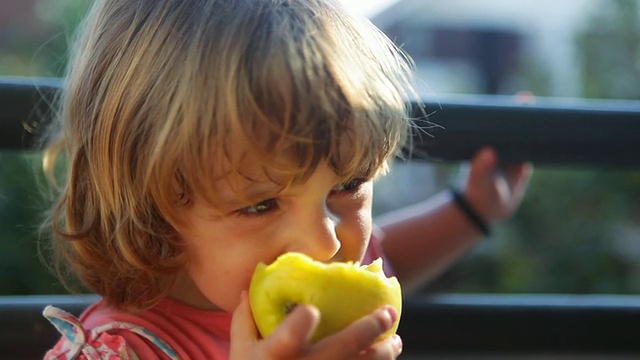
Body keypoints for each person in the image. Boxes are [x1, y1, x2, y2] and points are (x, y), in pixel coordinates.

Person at [40, 0, 532, 359]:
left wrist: (471, 210)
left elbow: (390, 255)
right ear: (154, 210)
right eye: (261, 205)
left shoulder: (318, 276)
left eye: (348, 185)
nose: (325, 242)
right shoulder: (117, 351)